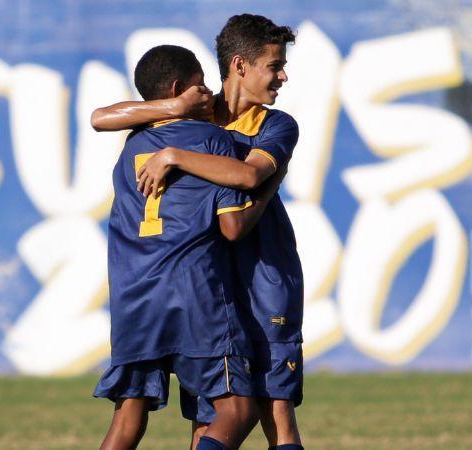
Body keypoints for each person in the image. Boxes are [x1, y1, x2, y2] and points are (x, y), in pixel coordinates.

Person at [92, 14, 305, 450]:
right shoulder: (197, 121)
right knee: (211, 412)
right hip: (207, 283)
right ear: (241, 65)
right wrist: (172, 110)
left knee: (274, 410)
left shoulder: (276, 125)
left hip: (262, 275)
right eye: (274, 65)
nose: (283, 76)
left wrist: (174, 156)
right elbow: (99, 117)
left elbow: (248, 176)